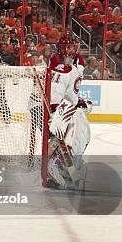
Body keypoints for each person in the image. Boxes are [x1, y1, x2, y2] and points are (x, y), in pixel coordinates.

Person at [45, 38, 92, 189]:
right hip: (55, 110)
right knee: (77, 128)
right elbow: (71, 99)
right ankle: (59, 168)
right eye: (67, 47)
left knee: (57, 139)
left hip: (43, 108)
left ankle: (60, 166)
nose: (68, 51)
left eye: (71, 47)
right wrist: (79, 104)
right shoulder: (73, 71)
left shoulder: (51, 64)